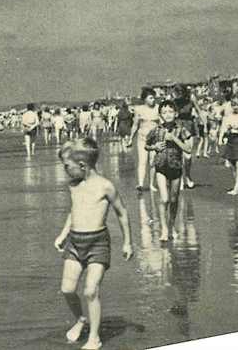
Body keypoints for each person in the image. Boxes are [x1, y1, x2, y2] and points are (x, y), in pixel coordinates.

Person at [54, 138, 133, 350]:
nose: (65, 171)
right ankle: (81, 319)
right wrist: (62, 235)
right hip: (74, 242)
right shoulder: (73, 186)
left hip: (98, 243)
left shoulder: (105, 186)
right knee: (67, 289)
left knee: (90, 291)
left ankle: (94, 338)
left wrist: (127, 242)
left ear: (82, 165)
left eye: (67, 166)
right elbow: (74, 211)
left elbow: (122, 213)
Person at [145, 101, 193, 242]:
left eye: (170, 111)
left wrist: (174, 139)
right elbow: (146, 145)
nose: (168, 115)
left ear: (176, 114)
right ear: (160, 115)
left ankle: (172, 225)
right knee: (164, 199)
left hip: (176, 167)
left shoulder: (181, 129)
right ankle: (164, 228)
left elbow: (188, 149)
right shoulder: (156, 130)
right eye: (164, 112)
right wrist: (155, 146)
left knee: (173, 200)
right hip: (161, 167)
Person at [127, 88, 160, 191]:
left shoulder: (158, 108)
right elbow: (135, 125)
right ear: (145, 99)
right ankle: (140, 184)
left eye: (154, 98)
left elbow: (162, 123)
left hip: (155, 138)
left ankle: (151, 184)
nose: (153, 100)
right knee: (142, 161)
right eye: (150, 98)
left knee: (152, 161)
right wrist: (130, 138)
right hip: (142, 138)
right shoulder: (139, 109)